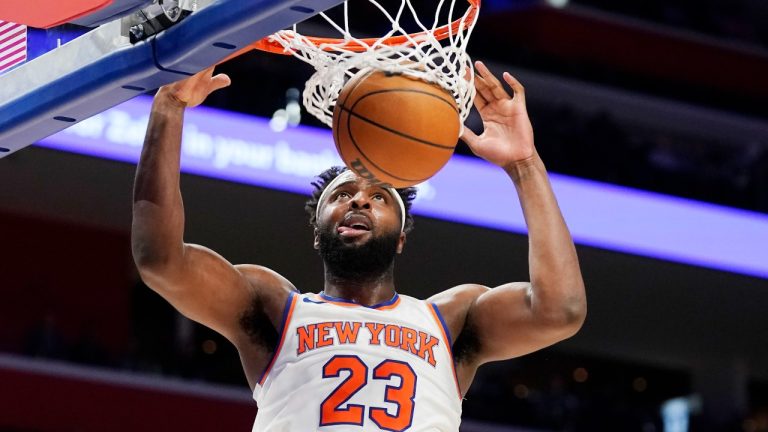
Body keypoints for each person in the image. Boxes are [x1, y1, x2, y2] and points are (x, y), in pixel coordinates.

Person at [131, 61, 587, 431]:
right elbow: (160, 261)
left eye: (379, 197)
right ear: (317, 230)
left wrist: (525, 166)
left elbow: (559, 311)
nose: (360, 201)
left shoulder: (452, 319)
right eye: (342, 195)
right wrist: (169, 108)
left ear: (402, 237)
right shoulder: (273, 307)